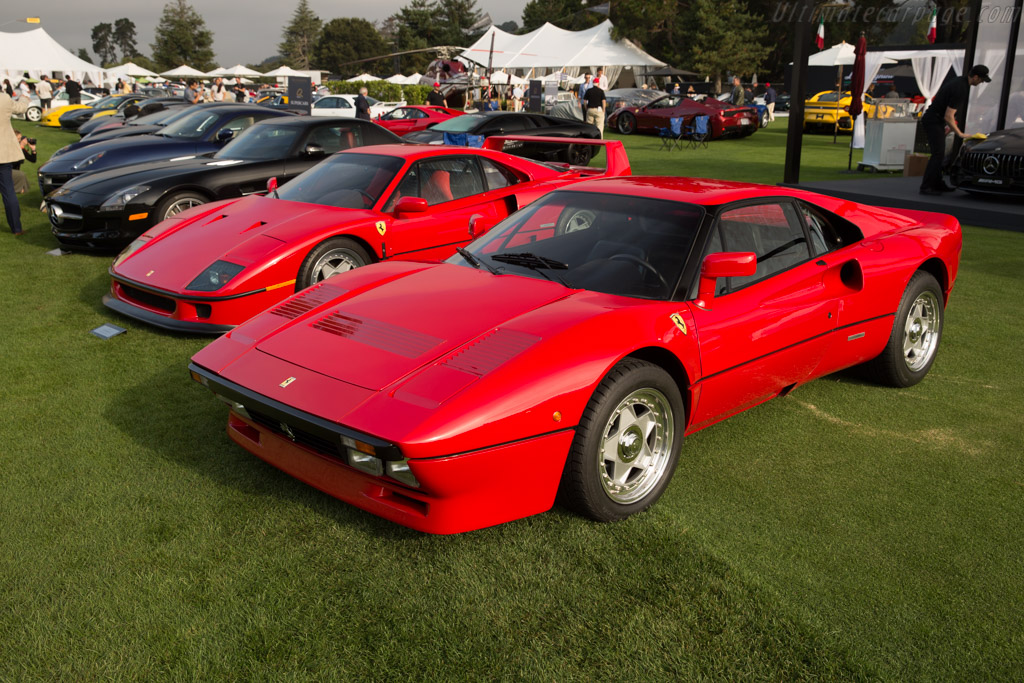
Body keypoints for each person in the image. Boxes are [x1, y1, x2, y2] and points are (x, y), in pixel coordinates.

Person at [919, 64, 990, 196]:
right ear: (975, 77)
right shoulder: (961, 88)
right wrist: (960, 133)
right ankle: (927, 186)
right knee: (938, 154)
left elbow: (946, 113)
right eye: (981, 80)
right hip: (933, 120)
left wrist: (948, 127)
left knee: (939, 153)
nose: (980, 83)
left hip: (935, 119)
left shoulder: (959, 81)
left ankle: (937, 183)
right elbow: (949, 115)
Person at [1, 90, 30, 235]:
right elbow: (21, 108)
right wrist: (24, 99)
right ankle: (16, 228)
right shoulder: (4, 98)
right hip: (3, 153)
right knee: (8, 191)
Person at [11, 130, 36, 194]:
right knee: (21, 174)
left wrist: (33, 149)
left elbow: (33, 160)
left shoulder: (21, 149)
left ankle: (21, 189)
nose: (20, 140)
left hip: (15, 170)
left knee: (22, 176)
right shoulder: (11, 148)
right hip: (7, 170)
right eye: (19, 138)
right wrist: (20, 148)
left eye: (21, 138)